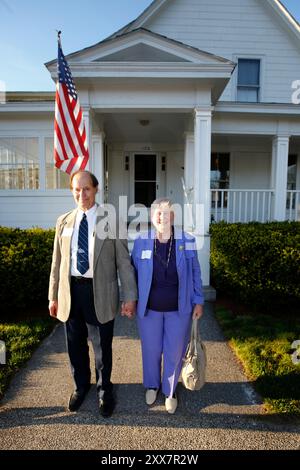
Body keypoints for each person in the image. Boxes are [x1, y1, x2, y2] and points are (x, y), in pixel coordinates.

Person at [48, 170, 137, 417]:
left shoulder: (111, 220)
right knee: (75, 346)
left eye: (86, 189)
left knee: (101, 349)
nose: (81, 194)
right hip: (71, 292)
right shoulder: (63, 221)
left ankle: (104, 390)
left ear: (96, 189)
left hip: (100, 293)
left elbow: (124, 261)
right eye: (77, 189)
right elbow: (57, 262)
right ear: (71, 191)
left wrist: (129, 296)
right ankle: (80, 386)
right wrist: (52, 295)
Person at [131, 198, 204, 414]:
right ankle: (152, 385)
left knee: (174, 351)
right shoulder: (141, 241)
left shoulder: (187, 240)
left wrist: (198, 300)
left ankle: (169, 391)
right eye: (158, 213)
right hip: (149, 309)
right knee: (151, 350)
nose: (163, 217)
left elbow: (196, 273)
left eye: (167, 213)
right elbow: (132, 273)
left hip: (178, 309)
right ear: (152, 217)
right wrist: (130, 300)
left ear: (173, 216)